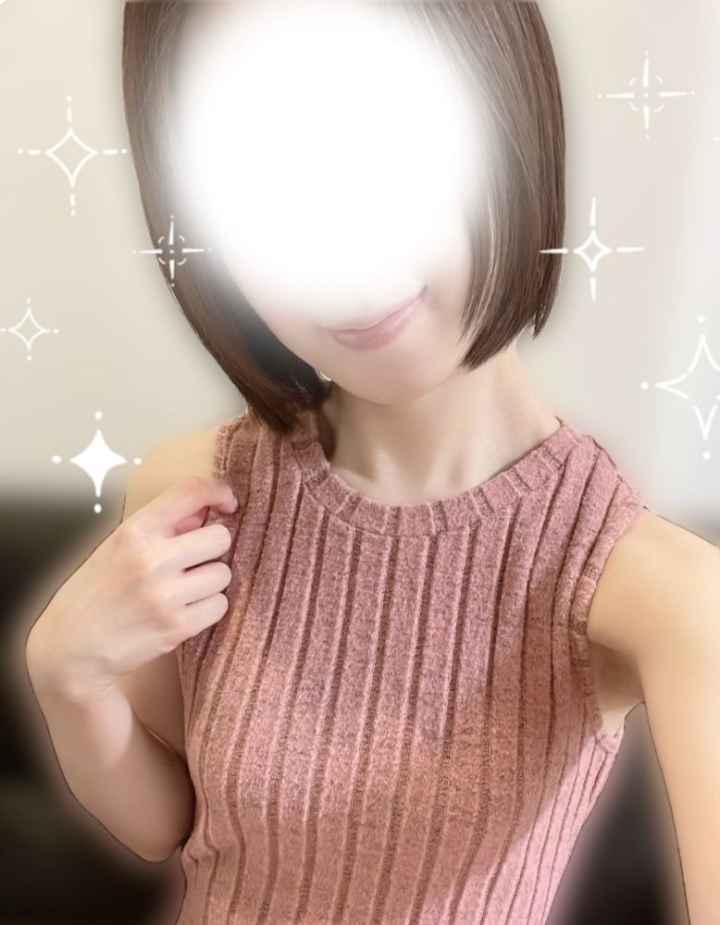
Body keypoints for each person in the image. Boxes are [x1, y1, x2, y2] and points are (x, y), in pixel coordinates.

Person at [23, 2, 718, 924]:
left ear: (501, 112)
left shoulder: (650, 588)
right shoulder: (198, 492)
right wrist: (68, 677)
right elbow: (168, 825)